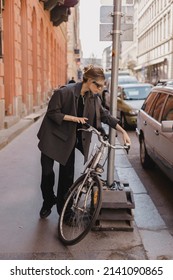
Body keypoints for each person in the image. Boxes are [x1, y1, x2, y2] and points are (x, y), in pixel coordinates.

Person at [37, 65, 131, 219]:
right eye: (98, 85)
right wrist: (74, 118)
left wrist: (123, 131)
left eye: (102, 86)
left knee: (67, 177)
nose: (100, 89)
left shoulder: (93, 98)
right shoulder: (64, 92)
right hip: (52, 137)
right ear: (88, 81)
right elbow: (52, 113)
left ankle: (65, 212)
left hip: (70, 140)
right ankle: (48, 201)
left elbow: (105, 115)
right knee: (47, 173)